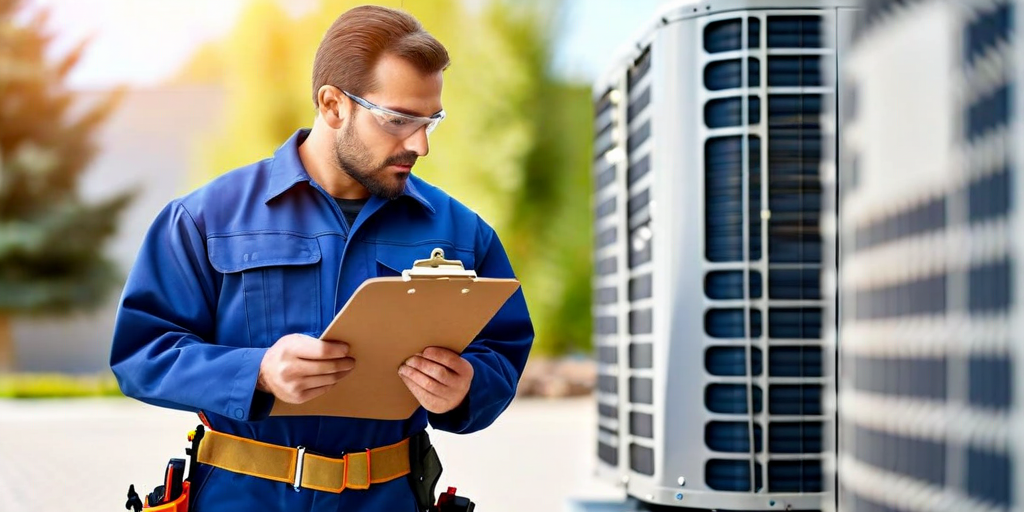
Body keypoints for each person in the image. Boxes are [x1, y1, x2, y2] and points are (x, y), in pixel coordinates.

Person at [109, 5, 533, 511]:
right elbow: (142, 354)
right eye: (399, 120)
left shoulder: (462, 232)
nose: (419, 144)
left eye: (430, 122)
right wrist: (257, 372)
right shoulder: (205, 218)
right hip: (241, 498)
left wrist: (466, 389)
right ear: (333, 105)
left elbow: (502, 351)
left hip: (388, 501)